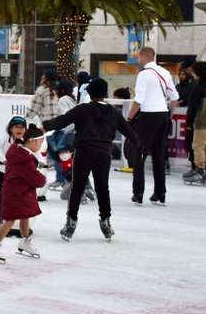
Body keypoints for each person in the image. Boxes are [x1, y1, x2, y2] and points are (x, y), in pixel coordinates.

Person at [44, 78, 140, 242]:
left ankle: (71, 222)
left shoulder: (82, 109)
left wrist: (44, 125)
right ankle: (105, 221)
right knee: (103, 188)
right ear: (106, 93)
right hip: (103, 154)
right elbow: (129, 132)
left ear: (89, 93)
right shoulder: (113, 112)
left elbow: (62, 121)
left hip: (84, 151)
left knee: (77, 186)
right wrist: (140, 147)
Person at [0, 124, 46, 263]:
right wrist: (43, 178)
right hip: (15, 193)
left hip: (22, 192)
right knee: (10, 220)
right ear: (32, 141)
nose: (41, 146)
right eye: (40, 143)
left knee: (26, 215)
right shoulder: (24, 159)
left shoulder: (18, 150)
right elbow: (37, 180)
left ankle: (24, 241)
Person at [127, 46, 178, 206]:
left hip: (148, 116)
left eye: (139, 58)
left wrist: (129, 118)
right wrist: (169, 114)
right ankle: (160, 193)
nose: (138, 60)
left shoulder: (144, 75)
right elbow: (174, 97)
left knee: (139, 154)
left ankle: (138, 193)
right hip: (163, 115)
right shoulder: (164, 72)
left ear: (143, 57)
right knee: (159, 154)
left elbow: (139, 99)